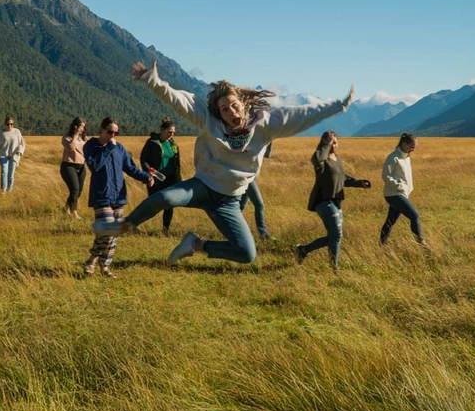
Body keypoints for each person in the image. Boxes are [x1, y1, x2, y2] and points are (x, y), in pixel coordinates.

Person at [95, 61, 353, 266]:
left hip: (230, 200)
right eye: (225, 109)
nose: (231, 112)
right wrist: (153, 81)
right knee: (166, 198)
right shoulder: (210, 121)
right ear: (219, 113)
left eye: (234, 106)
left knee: (246, 254)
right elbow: (179, 101)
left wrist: (338, 106)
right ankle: (123, 226)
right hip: (203, 186)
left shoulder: (265, 125)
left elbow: (301, 115)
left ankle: (195, 244)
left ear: (244, 105)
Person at [83, 117, 160, 277]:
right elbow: (94, 165)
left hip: (119, 196)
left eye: (116, 132)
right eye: (110, 132)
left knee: (114, 234)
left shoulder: (120, 148)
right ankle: (92, 259)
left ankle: (105, 267)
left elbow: (130, 168)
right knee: (107, 230)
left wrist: (146, 177)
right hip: (101, 196)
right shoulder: (91, 146)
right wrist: (108, 148)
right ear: (101, 130)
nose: (113, 135)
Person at [294, 131, 372, 270]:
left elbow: (343, 179)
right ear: (324, 143)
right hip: (322, 200)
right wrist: (325, 145)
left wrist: (359, 183)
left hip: (336, 201)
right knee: (337, 235)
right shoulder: (321, 159)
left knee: (335, 236)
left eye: (335, 142)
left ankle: (303, 250)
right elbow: (317, 159)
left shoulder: (338, 159)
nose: (333, 145)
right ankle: (334, 267)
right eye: (331, 142)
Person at [139, 117, 183, 235]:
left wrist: (178, 179)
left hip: (170, 179)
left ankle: (165, 230)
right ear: (162, 130)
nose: (171, 134)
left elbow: (176, 163)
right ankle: (134, 223)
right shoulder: (152, 142)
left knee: (169, 205)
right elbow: (143, 159)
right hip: (155, 179)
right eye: (169, 132)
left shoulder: (173, 144)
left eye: (173, 132)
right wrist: (149, 172)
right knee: (153, 205)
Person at [380, 133, 426, 247]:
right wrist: (399, 186)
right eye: (412, 146)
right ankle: (421, 243)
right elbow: (385, 175)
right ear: (404, 144)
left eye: (415, 147)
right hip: (394, 194)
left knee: (390, 221)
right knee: (414, 215)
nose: (414, 149)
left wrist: (407, 189)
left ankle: (381, 246)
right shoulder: (394, 157)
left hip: (401, 194)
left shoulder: (406, 157)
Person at [0, 116, 26, 192]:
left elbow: (22, 143)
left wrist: (20, 151)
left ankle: (9, 190)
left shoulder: (16, 131)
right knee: (4, 171)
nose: (10, 126)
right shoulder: (2, 132)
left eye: (11, 124)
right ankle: (3, 190)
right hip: (3, 155)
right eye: (8, 124)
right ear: (5, 124)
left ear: (13, 124)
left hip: (14, 155)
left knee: (11, 175)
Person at [59, 117, 87, 218]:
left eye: (83, 127)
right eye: (80, 127)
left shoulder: (84, 139)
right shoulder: (67, 137)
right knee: (74, 189)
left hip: (81, 166)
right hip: (68, 165)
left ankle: (66, 207)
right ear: (75, 126)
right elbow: (70, 147)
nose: (82, 129)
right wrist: (75, 134)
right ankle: (74, 212)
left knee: (79, 191)